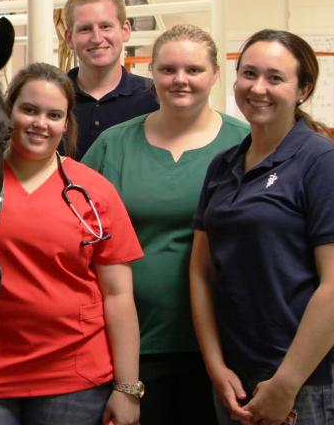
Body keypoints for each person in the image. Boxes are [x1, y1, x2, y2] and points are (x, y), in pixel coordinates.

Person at [0, 62, 143, 425]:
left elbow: (118, 296)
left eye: (54, 115)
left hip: (74, 378)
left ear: (67, 123)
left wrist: (127, 387)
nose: (41, 123)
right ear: (7, 113)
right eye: (29, 110)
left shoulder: (94, 192)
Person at [190, 30, 334, 425]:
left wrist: (286, 383)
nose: (258, 88)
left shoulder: (324, 164)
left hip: (308, 379)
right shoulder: (223, 165)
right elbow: (201, 271)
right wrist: (216, 365)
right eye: (248, 74)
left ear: (303, 89)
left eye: (275, 78)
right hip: (236, 375)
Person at [81, 25, 250, 424]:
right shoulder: (114, 145)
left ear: (214, 74)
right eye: (168, 69)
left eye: (193, 70)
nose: (180, 80)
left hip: (224, 344)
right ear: (151, 73)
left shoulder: (245, 145)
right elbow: (73, 226)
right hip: (134, 342)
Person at [63, 0, 159, 157]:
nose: (97, 38)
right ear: (69, 38)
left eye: (105, 26)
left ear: (125, 30)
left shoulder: (155, 98)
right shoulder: (52, 99)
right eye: (85, 29)